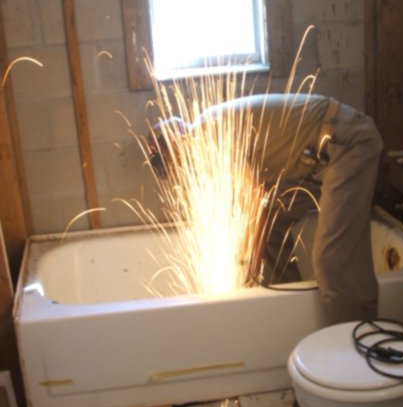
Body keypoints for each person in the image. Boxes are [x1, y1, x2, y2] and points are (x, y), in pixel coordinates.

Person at [150, 93, 384, 324]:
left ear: (177, 140)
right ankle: (290, 317)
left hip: (348, 144)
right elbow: (252, 208)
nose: (181, 169)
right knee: (271, 226)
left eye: (175, 161)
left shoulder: (208, 138)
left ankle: (356, 337)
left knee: (330, 259)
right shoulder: (205, 132)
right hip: (316, 161)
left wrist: (246, 270)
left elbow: (253, 203)